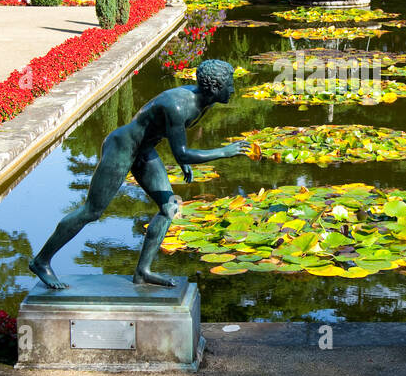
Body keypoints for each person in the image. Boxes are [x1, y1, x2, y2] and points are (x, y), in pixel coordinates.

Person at [29, 60, 251, 289]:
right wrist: (224, 152)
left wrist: (184, 159)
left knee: (170, 208)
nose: (233, 90)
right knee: (92, 211)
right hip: (122, 148)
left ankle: (142, 271)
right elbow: (182, 153)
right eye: (230, 85)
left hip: (144, 150)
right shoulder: (177, 105)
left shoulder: (206, 101)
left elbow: (174, 140)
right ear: (214, 88)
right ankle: (41, 260)